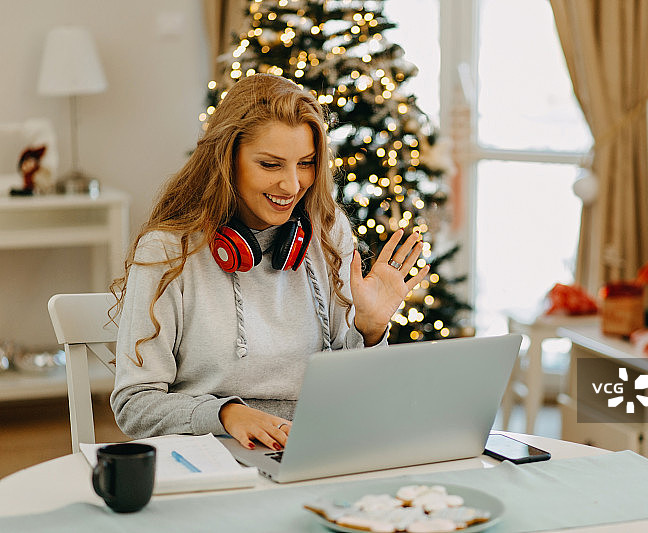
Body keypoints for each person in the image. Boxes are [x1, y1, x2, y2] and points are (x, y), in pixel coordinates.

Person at [110, 74, 429, 451]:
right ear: (227, 160)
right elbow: (134, 405)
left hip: (318, 447)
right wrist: (225, 414)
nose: (292, 185)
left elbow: (356, 393)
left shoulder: (328, 234)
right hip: (214, 451)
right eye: (270, 165)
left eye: (306, 163)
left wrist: (370, 330)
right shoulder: (168, 251)